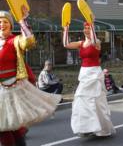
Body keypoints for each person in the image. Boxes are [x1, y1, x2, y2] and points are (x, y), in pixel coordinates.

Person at [0, 10, 61, 146]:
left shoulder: (13, 41)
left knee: (11, 127)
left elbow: (28, 41)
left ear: (10, 25)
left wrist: (22, 21)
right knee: (8, 127)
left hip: (10, 88)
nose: (2, 25)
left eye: (5, 22)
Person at [63, 21, 115, 137]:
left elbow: (94, 39)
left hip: (94, 73)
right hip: (84, 73)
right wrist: (66, 29)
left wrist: (91, 24)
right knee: (80, 99)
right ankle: (86, 128)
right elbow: (66, 44)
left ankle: (100, 127)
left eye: (88, 28)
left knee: (96, 101)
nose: (86, 30)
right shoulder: (80, 43)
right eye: (85, 28)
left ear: (92, 29)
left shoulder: (97, 42)